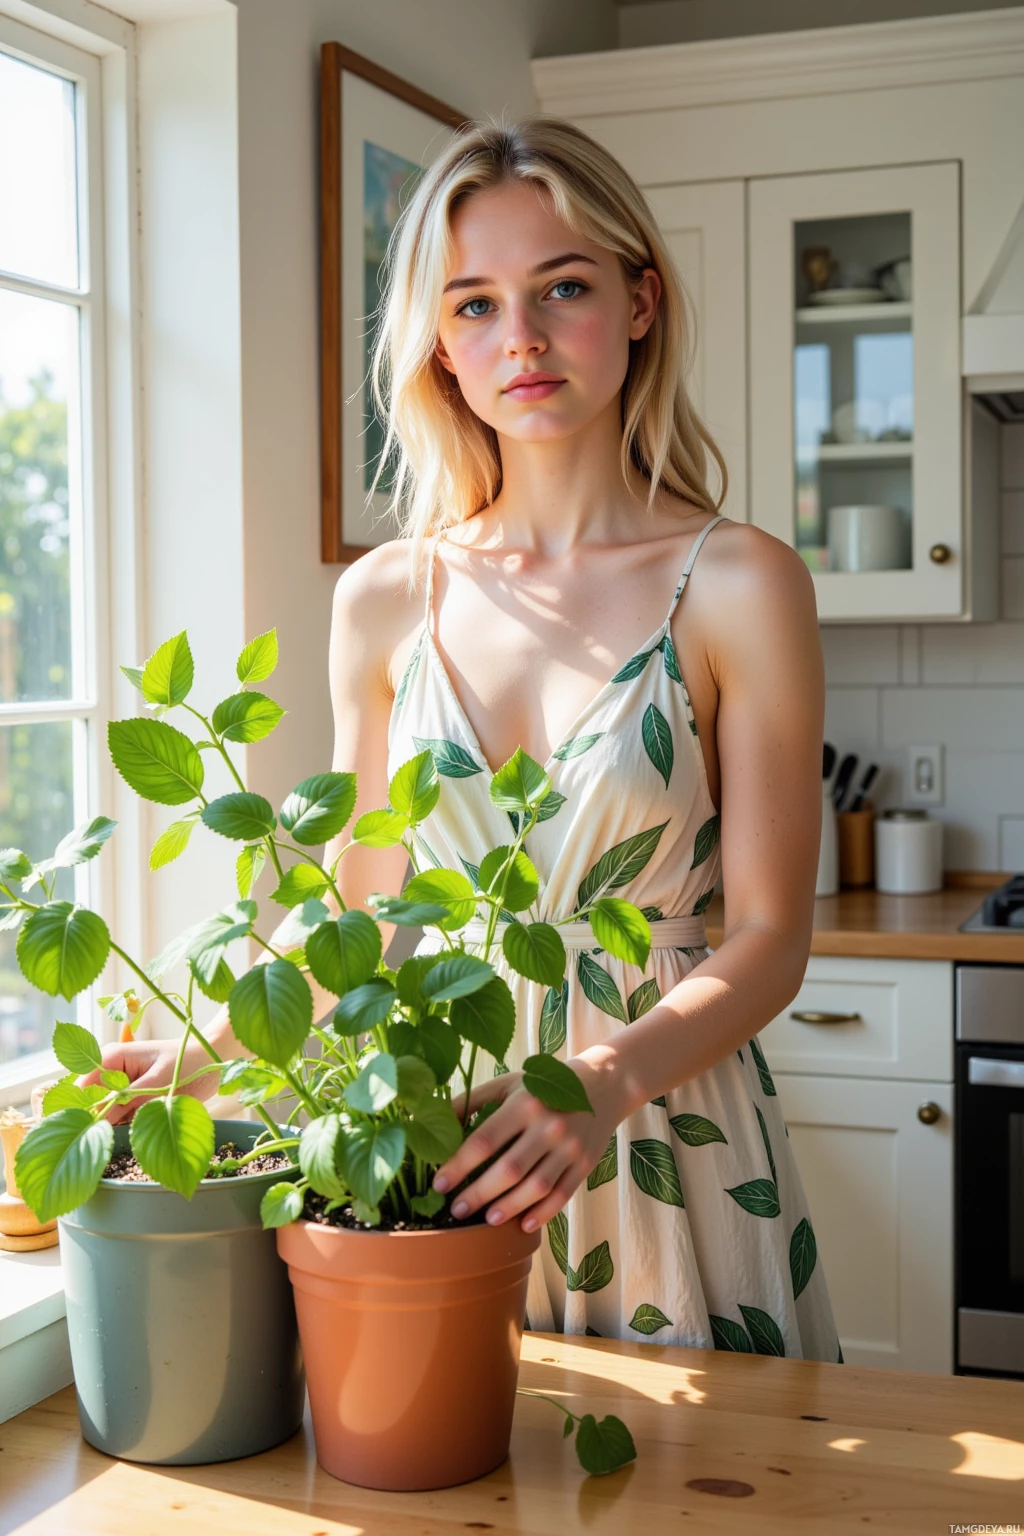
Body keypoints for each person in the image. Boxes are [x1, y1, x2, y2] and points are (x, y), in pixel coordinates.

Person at [97, 116, 840, 1361]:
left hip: (656, 1131)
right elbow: (360, 909)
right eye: (476, 305)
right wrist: (201, 1056)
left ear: (640, 300)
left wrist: (601, 1084)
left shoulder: (738, 582)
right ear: (439, 345)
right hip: (429, 1135)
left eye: (562, 287)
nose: (525, 340)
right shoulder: (386, 597)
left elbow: (770, 941)